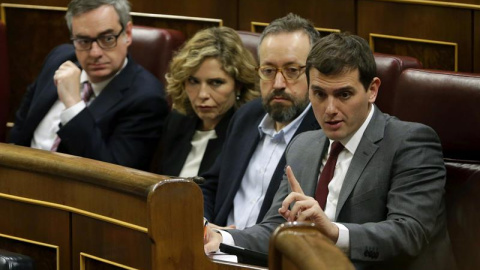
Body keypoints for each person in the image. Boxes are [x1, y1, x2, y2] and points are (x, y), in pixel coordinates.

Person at [205, 33, 456, 270]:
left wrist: (332, 231)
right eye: (319, 94)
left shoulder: (410, 142)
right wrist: (222, 237)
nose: (330, 109)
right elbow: (277, 228)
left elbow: (408, 233)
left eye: (344, 94)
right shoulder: (303, 145)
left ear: (372, 90)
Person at [8, 0, 168, 171]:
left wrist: (74, 107)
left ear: (127, 34)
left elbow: (113, 175)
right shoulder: (59, 59)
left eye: (107, 39)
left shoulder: (147, 98)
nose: (95, 53)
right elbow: (21, 127)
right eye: (83, 41)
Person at [201, 13, 320, 230]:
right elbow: (212, 186)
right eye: (268, 70)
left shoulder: (323, 134)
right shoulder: (247, 116)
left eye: (292, 71)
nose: (278, 83)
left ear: (314, 72)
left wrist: (229, 239)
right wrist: (204, 225)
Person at [157, 27, 258, 177]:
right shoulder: (177, 122)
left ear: (238, 85)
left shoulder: (246, 135)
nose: (202, 94)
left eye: (216, 82)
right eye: (193, 81)